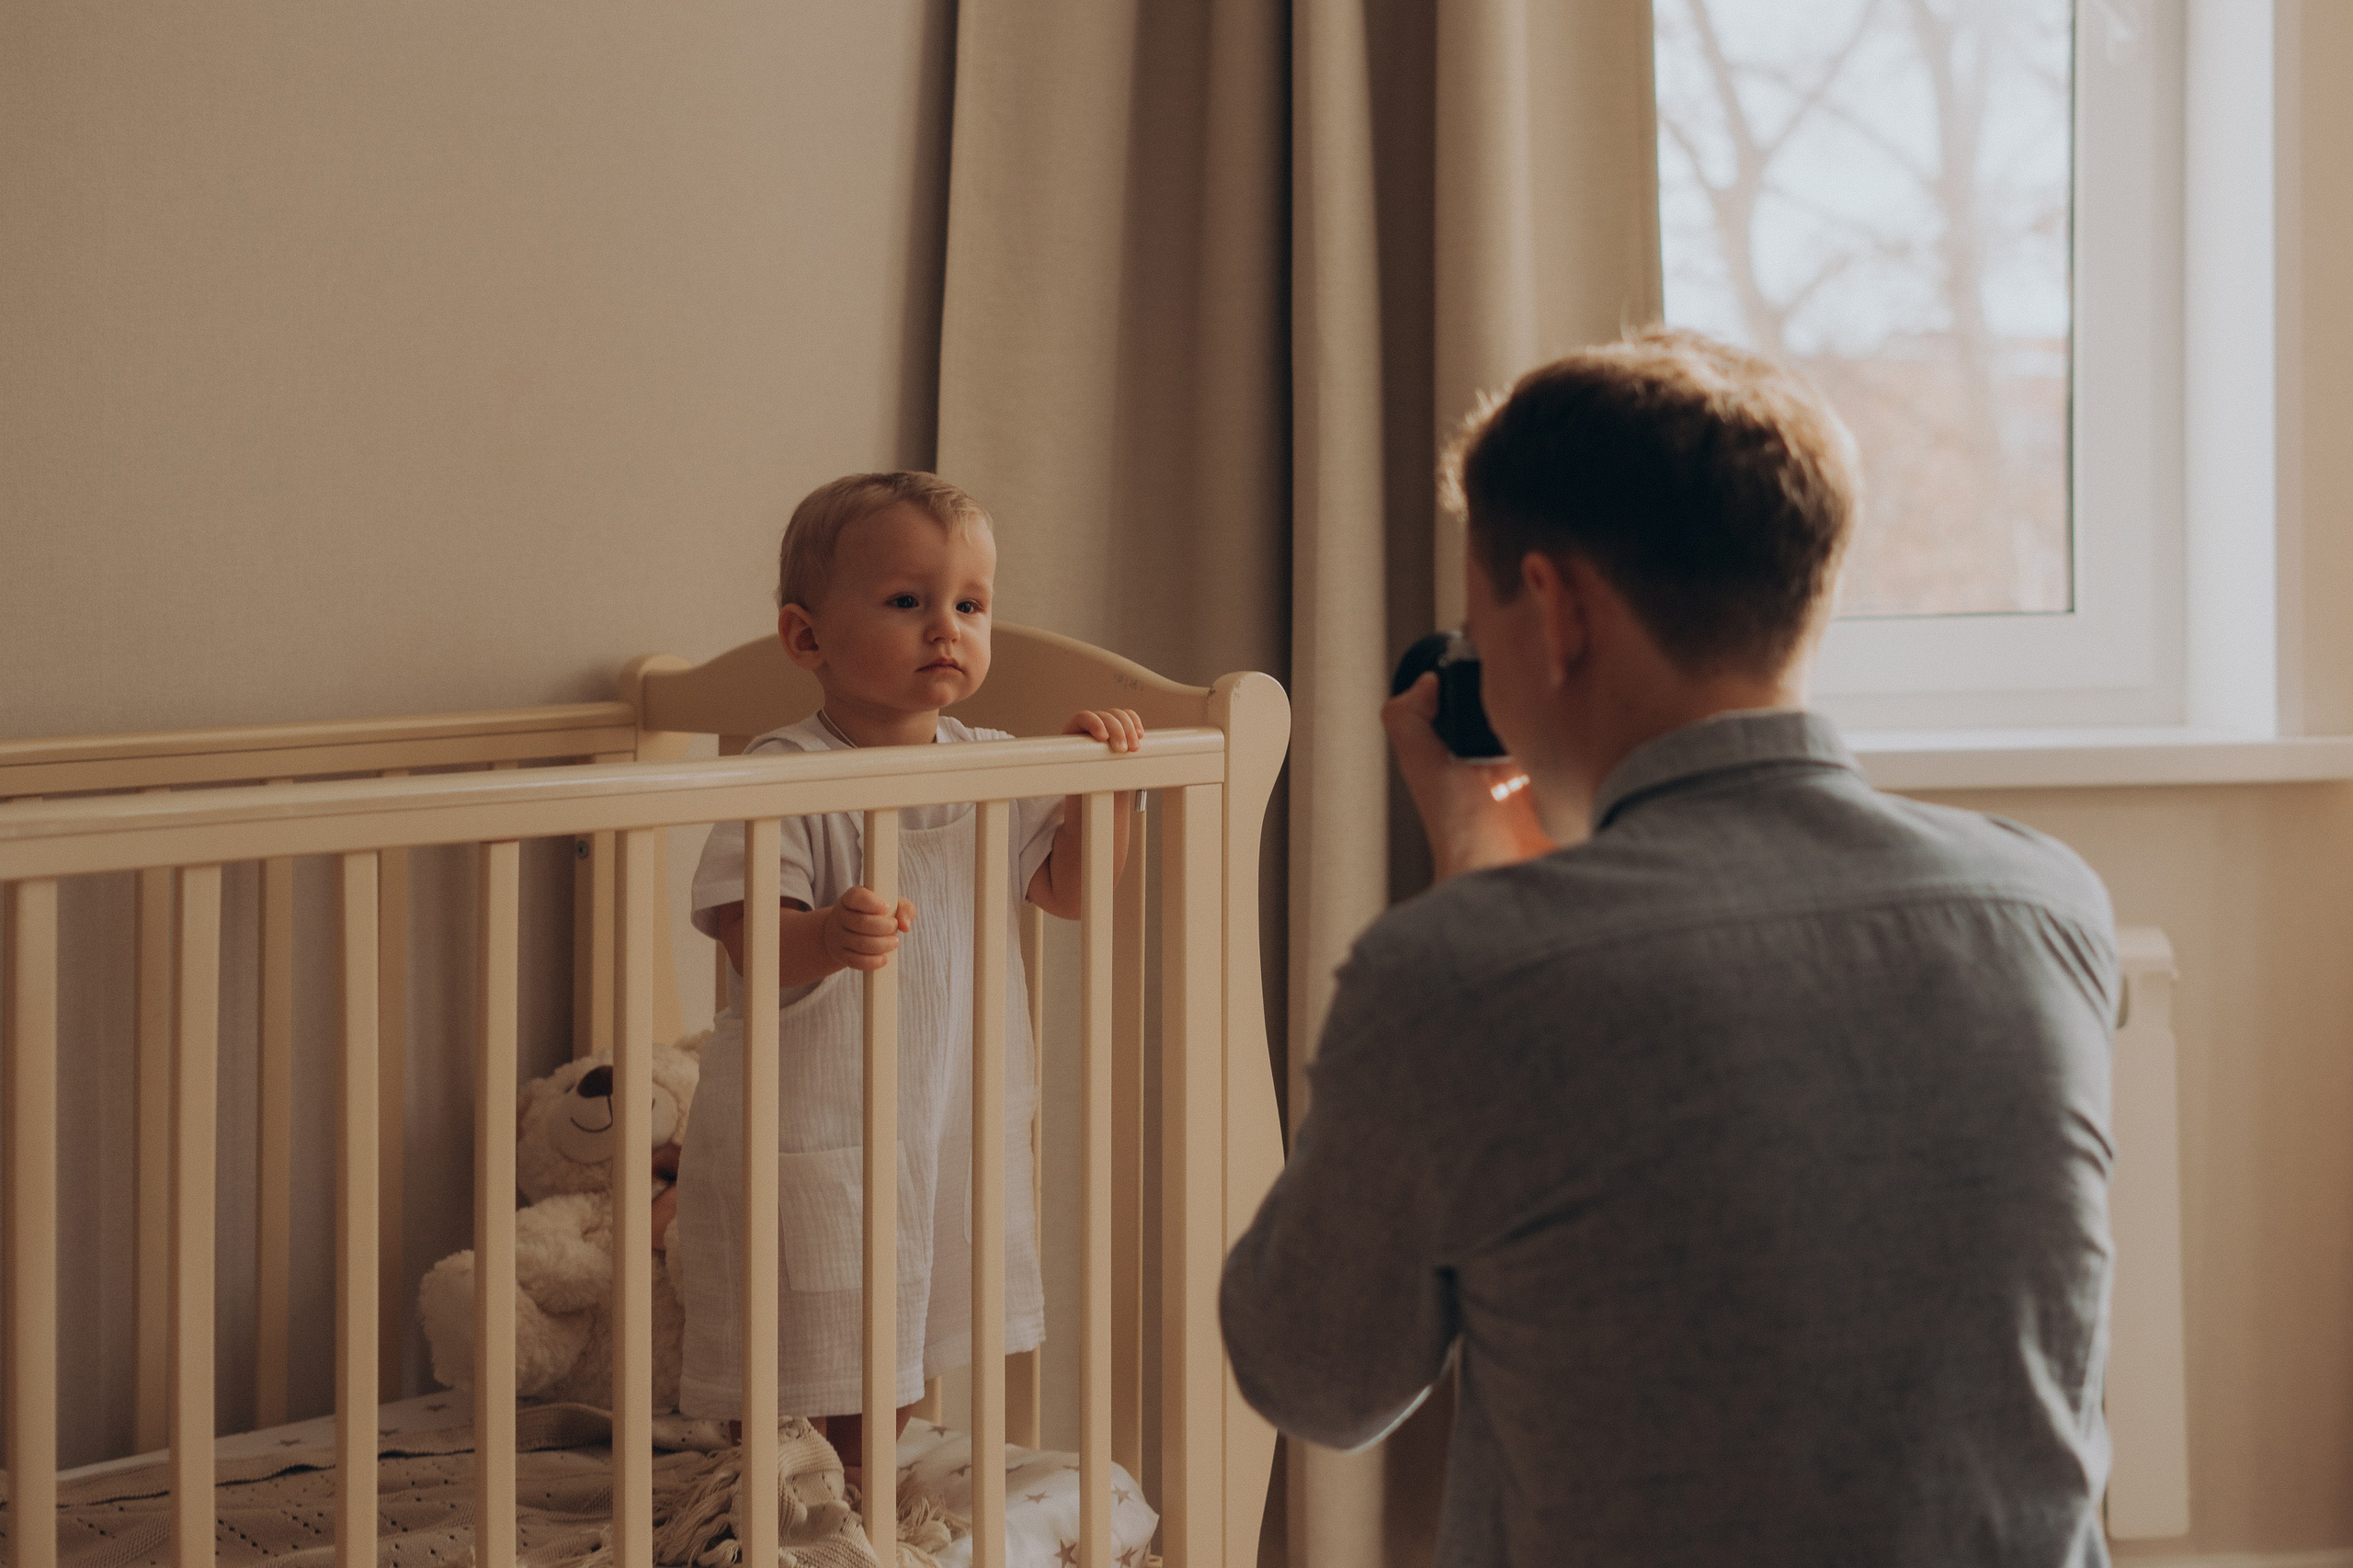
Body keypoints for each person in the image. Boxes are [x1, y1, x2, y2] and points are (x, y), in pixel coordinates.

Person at [1220, 328, 2120, 1566]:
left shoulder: (1459, 973)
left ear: (1554, 606)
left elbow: (1314, 1378)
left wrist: (1470, 893)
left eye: (1480, 613)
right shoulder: (2048, 907)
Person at [668, 471, 1142, 1475]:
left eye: (970, 605)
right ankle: (781, 1493)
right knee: (806, 1324)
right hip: (810, 1115)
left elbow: (1067, 890)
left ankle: (860, 1493)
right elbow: (750, 937)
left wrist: (1107, 795)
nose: (947, 628)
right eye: (906, 601)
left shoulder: (992, 763)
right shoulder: (784, 771)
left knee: (906, 1314)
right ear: (807, 638)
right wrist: (827, 935)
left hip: (936, 1114)